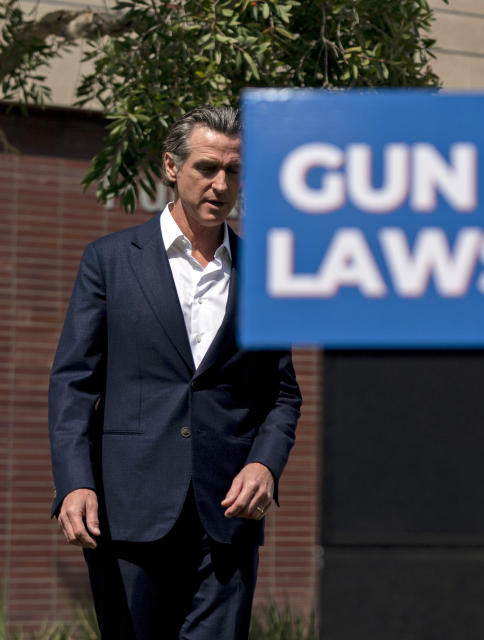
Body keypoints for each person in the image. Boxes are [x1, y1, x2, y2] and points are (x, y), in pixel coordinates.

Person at [48, 105, 301, 639]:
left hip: (227, 517)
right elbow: (74, 382)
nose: (220, 184)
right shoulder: (110, 261)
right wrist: (75, 484)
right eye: (206, 168)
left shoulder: (263, 273)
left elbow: (282, 393)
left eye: (232, 171)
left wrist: (265, 466)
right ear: (171, 166)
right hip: (128, 512)